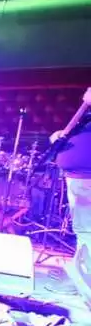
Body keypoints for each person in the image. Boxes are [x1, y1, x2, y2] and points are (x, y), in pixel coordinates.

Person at [51, 87, 91, 302]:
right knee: (84, 233)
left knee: (87, 233)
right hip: (78, 179)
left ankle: (87, 289)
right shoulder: (86, 117)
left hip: (87, 179)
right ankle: (79, 279)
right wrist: (60, 138)